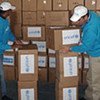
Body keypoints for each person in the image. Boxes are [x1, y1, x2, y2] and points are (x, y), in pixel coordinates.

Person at [61, 5, 100, 100]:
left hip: (97, 54)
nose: (76, 22)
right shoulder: (91, 14)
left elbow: (85, 47)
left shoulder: (91, 29)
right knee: (91, 77)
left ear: (85, 17)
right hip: (94, 50)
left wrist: (70, 48)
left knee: (95, 81)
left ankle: (94, 98)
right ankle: (88, 96)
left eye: (78, 20)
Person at [0, 1, 22, 100]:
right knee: (1, 74)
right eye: (10, 10)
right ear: (7, 11)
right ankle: (4, 95)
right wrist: (11, 47)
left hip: (0, 52)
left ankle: (3, 94)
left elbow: (8, 33)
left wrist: (15, 39)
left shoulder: (5, 21)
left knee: (1, 74)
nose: (11, 12)